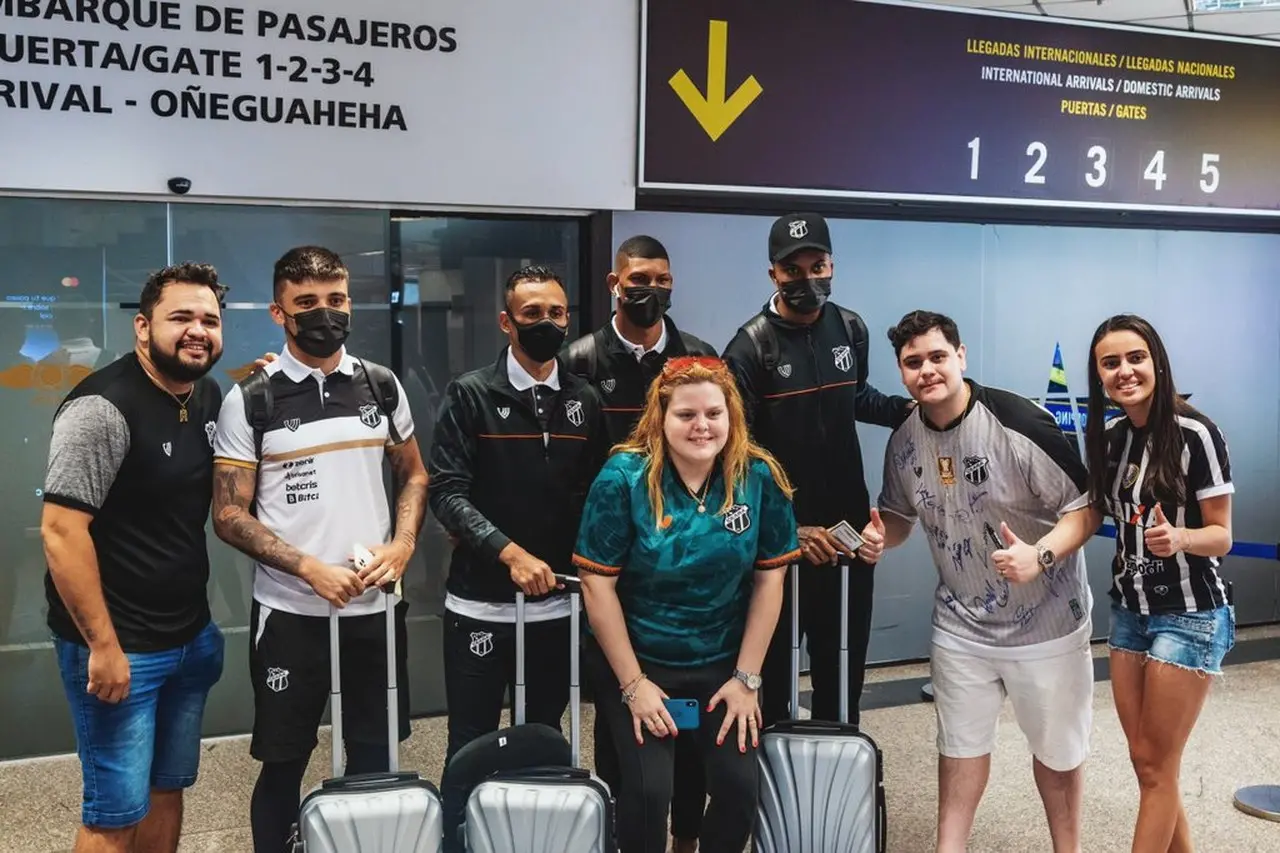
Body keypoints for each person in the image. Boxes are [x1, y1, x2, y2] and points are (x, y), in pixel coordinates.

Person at [209, 246, 428, 853]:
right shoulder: (250, 398)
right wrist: (308, 568)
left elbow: (413, 474)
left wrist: (403, 543)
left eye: (335, 300)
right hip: (291, 617)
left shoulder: (381, 386)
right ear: (280, 312)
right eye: (306, 303)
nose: (324, 314)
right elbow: (228, 513)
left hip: (376, 612)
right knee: (284, 762)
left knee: (375, 758)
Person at [859, 310, 1099, 853]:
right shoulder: (903, 439)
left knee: (1057, 756)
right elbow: (899, 516)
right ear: (901, 371)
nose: (927, 370)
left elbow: (1085, 510)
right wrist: (881, 538)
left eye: (938, 357)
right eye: (912, 362)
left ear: (961, 356)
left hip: (1048, 625)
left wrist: (1039, 555)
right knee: (959, 748)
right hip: (961, 625)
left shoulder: (1019, 423)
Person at [574, 355, 798, 853]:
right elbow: (595, 585)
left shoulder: (757, 476)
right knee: (651, 793)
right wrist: (634, 687)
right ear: (661, 416)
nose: (702, 426)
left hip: (722, 664)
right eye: (687, 415)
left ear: (731, 416)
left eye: (714, 414)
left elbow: (770, 580)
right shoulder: (623, 478)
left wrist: (746, 681)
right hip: (639, 661)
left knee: (741, 790)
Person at [41, 263, 229, 853]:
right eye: (181, 318)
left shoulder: (206, 396)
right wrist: (103, 647)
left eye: (209, 320)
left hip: (190, 637)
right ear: (143, 329)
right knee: (114, 814)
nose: (197, 330)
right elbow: (62, 532)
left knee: (168, 790)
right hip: (119, 649)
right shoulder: (102, 407)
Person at [722, 212, 913, 728]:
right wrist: (789, 528)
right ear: (773, 275)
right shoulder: (749, 346)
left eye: (818, 265)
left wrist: (912, 410)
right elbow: (735, 454)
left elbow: (857, 398)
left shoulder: (850, 327)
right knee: (776, 677)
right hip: (781, 543)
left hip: (849, 533)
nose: (808, 279)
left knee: (843, 668)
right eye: (793, 269)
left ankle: (838, 774)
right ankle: (777, 790)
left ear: (831, 265)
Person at [561, 234, 716, 852]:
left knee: (692, 724)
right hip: (613, 566)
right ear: (614, 283)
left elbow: (721, 446)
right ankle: (626, 834)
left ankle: (686, 836)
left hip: (691, 561)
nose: (651, 289)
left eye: (662, 278)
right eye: (639, 278)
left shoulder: (698, 356)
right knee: (621, 717)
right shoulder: (578, 360)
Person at [428, 264, 607, 772]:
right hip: (479, 609)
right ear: (507, 322)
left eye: (556, 312)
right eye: (532, 313)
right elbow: (447, 492)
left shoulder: (585, 399)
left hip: (556, 609)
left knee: (544, 741)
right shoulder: (470, 394)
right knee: (469, 744)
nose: (545, 322)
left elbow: (599, 495)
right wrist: (510, 554)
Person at [1084, 314, 1235, 853]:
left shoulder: (1195, 433)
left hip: (1190, 614)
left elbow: (1221, 536)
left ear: (1157, 363)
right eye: (1110, 363)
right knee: (1150, 762)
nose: (1124, 371)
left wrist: (1181, 539)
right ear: (1099, 375)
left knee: (1154, 764)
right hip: (1129, 611)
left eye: (1135, 358)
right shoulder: (1110, 441)